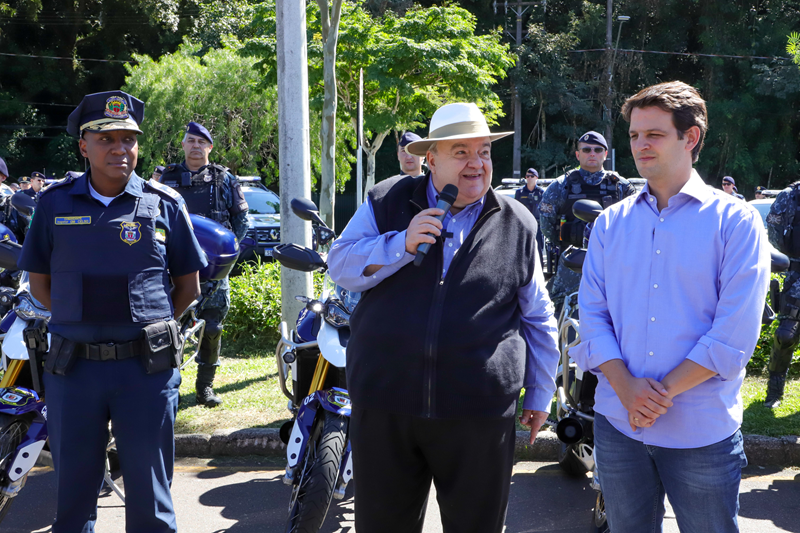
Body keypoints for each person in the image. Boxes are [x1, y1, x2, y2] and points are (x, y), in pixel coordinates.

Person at [327, 102, 559, 533]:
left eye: (484, 152)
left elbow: (538, 316)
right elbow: (339, 264)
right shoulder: (387, 200)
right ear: (430, 158)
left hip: (479, 414)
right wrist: (400, 244)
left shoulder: (518, 222)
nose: (477, 164)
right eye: (461, 152)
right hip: (385, 406)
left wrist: (541, 393)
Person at [573, 81, 770, 532]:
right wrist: (626, 390)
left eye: (655, 134)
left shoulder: (736, 222)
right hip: (619, 427)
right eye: (635, 135)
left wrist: (653, 397)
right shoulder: (610, 223)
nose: (641, 145)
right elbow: (593, 314)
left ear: (691, 137)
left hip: (700, 433)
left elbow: (733, 333)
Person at [18, 90, 207, 533]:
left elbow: (188, 286)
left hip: (145, 372)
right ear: (84, 146)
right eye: (107, 139)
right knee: (73, 500)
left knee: (151, 500)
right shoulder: (53, 204)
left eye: (129, 139)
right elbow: (42, 285)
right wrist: (81, 321)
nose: (120, 148)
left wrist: (145, 326)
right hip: (74, 372)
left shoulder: (165, 204)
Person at [158, 121, 248, 407]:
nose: (195, 146)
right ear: (182, 144)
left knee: (211, 328)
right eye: (190, 140)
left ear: (209, 147)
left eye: (201, 142)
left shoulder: (225, 179)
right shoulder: (165, 178)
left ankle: (204, 388)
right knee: (166, 326)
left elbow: (241, 222)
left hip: (213, 271)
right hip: (172, 268)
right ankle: (165, 385)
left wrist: (225, 253)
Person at [539, 131, 636, 313]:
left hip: (612, 264)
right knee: (566, 316)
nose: (592, 153)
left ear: (605, 154)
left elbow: (636, 224)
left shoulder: (621, 186)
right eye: (586, 149)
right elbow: (547, 226)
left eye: (598, 149)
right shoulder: (561, 186)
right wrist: (567, 241)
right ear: (578, 154)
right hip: (572, 265)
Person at [763, 183, 800, 408]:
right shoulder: (790, 196)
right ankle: (774, 392)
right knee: (785, 335)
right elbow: (775, 236)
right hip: (796, 273)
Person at [514, 167, 545, 256]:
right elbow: (516, 209)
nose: (529, 178)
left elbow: (544, 209)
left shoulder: (541, 193)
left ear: (536, 178)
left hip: (538, 225)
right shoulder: (520, 192)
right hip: (524, 225)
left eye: (532, 176)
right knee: (523, 252)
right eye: (527, 176)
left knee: (539, 251)